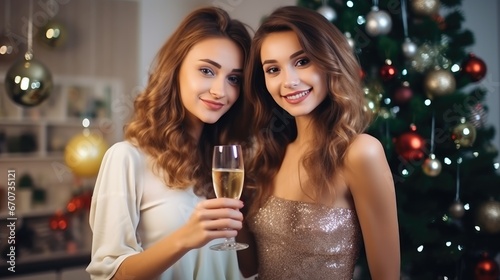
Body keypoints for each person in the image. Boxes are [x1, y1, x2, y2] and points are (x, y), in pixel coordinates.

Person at [86, 7, 252, 280]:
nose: (221, 91)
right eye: (207, 70)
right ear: (175, 69)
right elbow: (108, 276)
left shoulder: (224, 165)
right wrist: (185, 238)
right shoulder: (126, 159)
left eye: (234, 78)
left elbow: (248, 267)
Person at [238, 5, 400, 280]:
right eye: (273, 69)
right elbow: (250, 267)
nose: (288, 81)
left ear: (329, 61)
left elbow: (387, 276)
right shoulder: (270, 156)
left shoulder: (360, 152)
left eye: (302, 61)